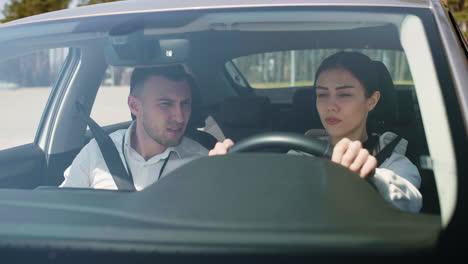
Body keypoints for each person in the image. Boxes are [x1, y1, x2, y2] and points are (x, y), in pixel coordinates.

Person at [210, 51, 422, 213]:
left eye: (344, 95)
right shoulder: (297, 156)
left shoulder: (395, 163)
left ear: (372, 100)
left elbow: (408, 200)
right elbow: (266, 198)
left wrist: (370, 180)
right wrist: (226, 179)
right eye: (322, 95)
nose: (331, 106)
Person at [60, 65, 208, 190]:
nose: (180, 117)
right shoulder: (96, 153)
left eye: (185, 104)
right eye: (166, 104)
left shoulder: (202, 162)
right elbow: (62, 213)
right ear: (134, 106)